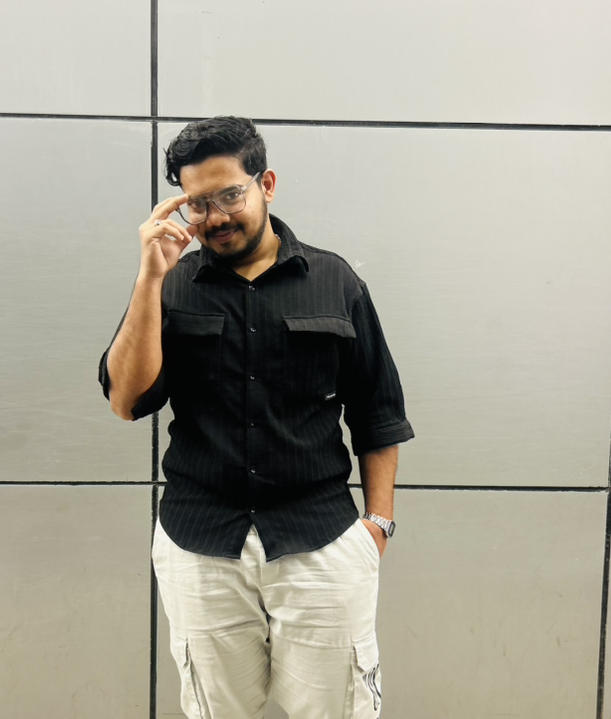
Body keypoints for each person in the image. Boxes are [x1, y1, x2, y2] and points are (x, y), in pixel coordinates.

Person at [98, 116, 414, 719]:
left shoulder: (334, 281)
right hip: (201, 546)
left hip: (319, 541)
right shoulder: (170, 285)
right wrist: (149, 277)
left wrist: (377, 525)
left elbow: (378, 412)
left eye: (229, 195)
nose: (214, 216)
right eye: (197, 203)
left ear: (266, 184)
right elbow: (127, 401)